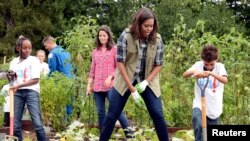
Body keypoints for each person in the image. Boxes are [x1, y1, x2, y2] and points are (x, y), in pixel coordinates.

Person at [99, 7, 169, 141]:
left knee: (158, 115)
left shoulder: (157, 39)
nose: (149, 29)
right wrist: (132, 89)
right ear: (138, 23)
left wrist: (146, 82)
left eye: (151, 26)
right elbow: (120, 63)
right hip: (125, 78)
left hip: (147, 79)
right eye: (146, 26)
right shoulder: (126, 36)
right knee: (112, 115)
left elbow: (159, 64)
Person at [87, 25, 133, 138]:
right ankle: (104, 136)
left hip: (111, 86)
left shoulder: (114, 49)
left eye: (104, 35)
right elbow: (92, 69)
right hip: (97, 87)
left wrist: (110, 77)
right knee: (101, 113)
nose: (102, 37)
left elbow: (119, 67)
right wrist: (89, 85)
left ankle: (130, 134)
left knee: (116, 110)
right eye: (100, 36)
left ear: (108, 36)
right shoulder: (95, 52)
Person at [183, 45, 228, 141]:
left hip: (214, 107)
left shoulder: (220, 67)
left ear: (217, 59)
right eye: (206, 64)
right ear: (202, 59)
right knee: (197, 121)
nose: (208, 67)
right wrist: (194, 72)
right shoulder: (198, 65)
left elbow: (225, 80)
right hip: (199, 103)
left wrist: (211, 73)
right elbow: (185, 74)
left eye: (211, 64)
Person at [9, 36, 47, 141]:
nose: (28, 50)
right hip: (18, 94)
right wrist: (11, 76)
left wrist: (18, 85)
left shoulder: (33, 60)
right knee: (15, 125)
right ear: (18, 48)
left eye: (30, 48)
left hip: (32, 92)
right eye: (25, 48)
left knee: (37, 124)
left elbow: (35, 80)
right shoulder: (13, 62)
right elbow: (13, 79)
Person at [42, 36, 73, 117]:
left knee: (61, 103)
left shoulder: (52, 54)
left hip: (61, 81)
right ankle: (70, 124)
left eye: (46, 46)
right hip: (71, 79)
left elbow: (53, 70)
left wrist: (46, 80)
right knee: (69, 102)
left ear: (50, 43)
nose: (46, 48)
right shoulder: (65, 51)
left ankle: (63, 124)